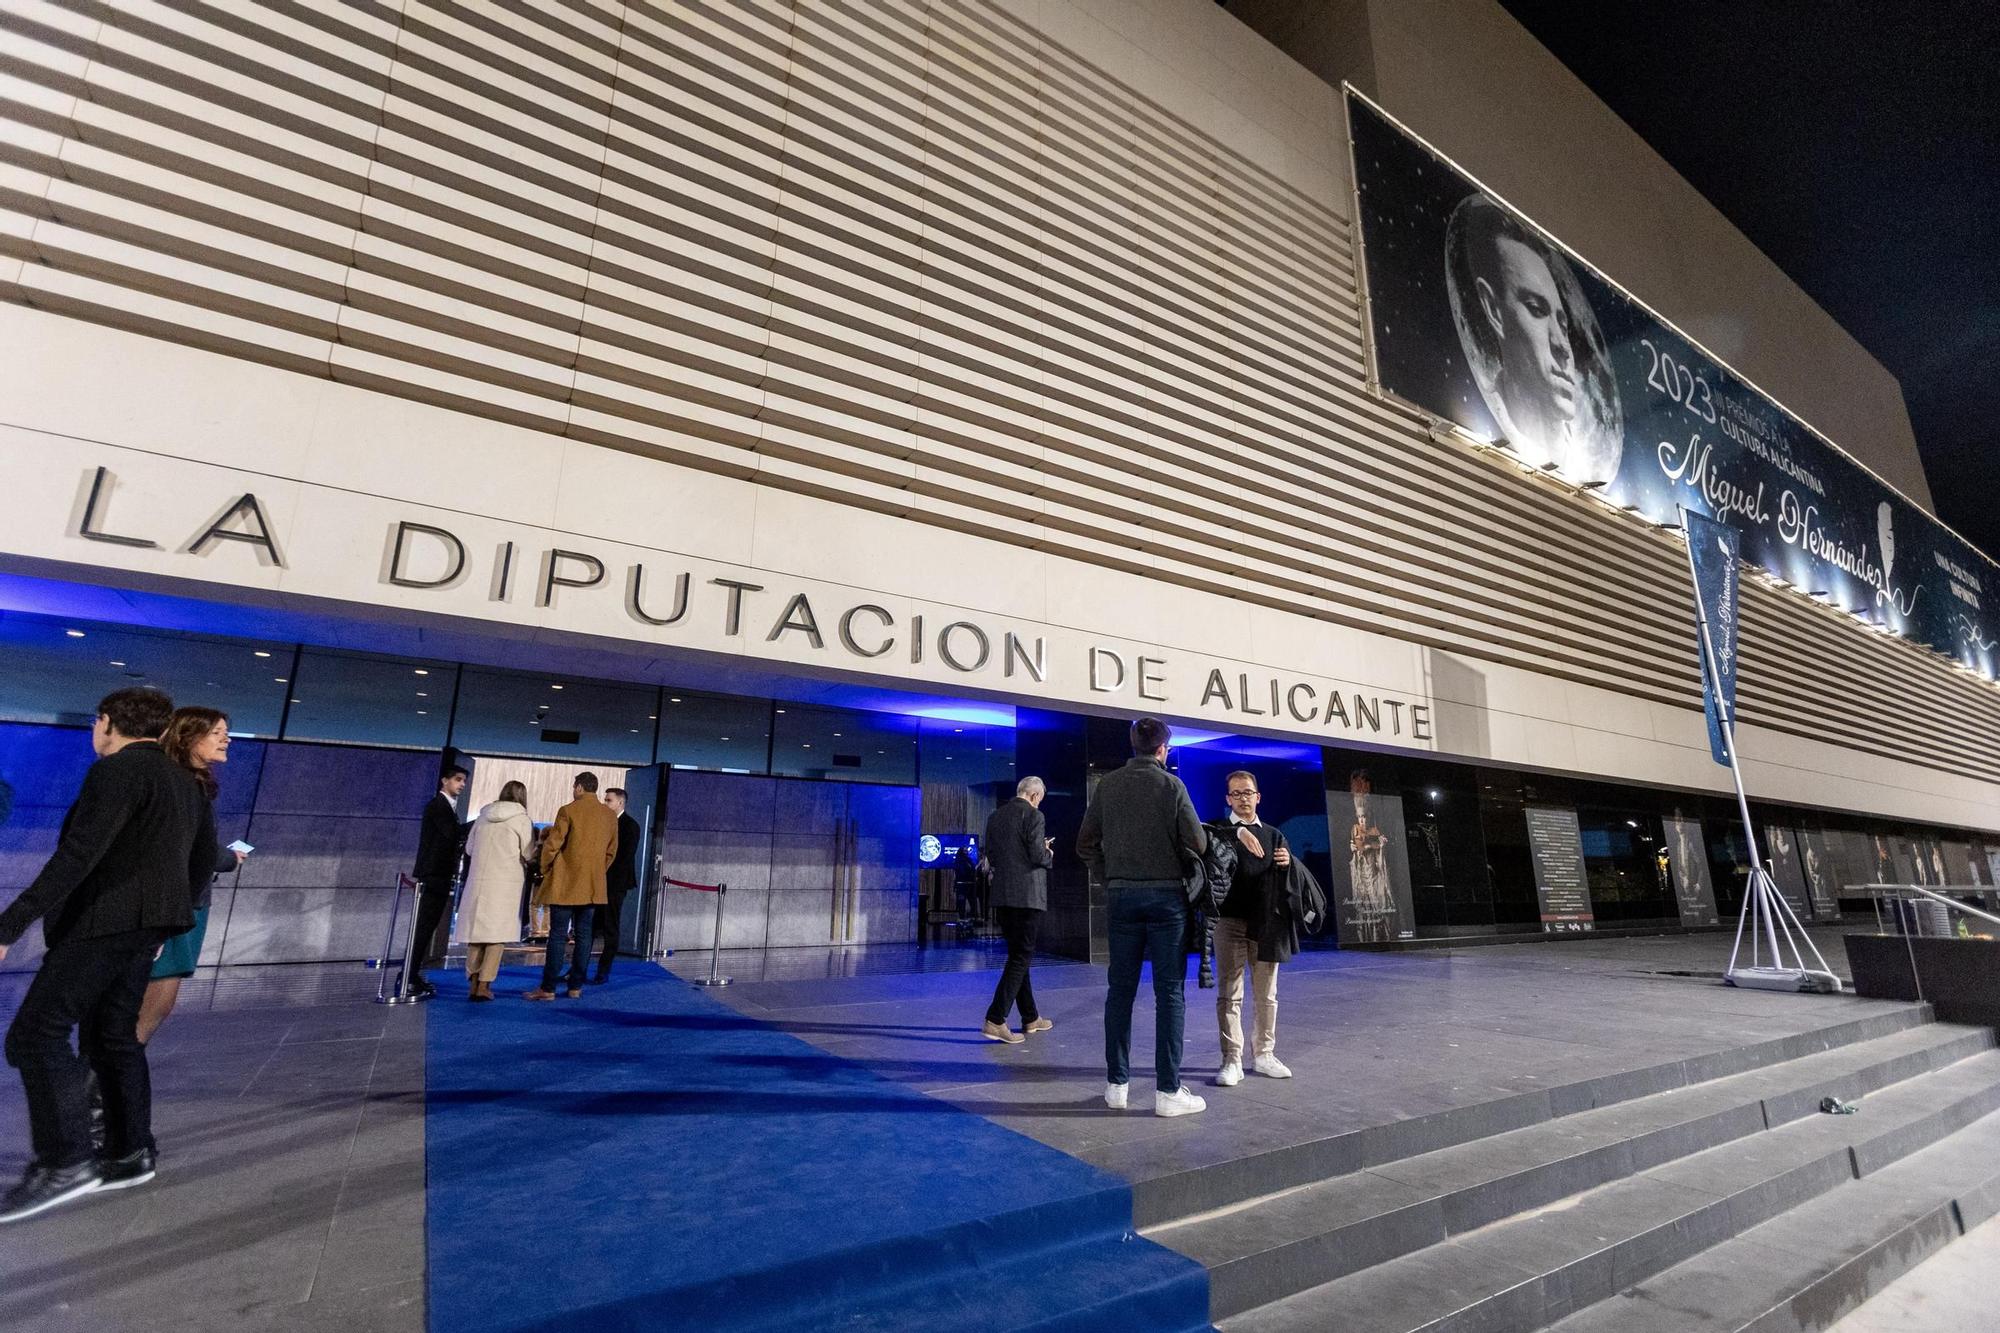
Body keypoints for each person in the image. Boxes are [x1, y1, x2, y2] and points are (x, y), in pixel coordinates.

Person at [0, 688, 214, 1223]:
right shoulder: (184, 782)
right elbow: (204, 858)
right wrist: (170, 917)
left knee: (34, 1034)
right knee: (112, 1038)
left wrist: (11, 923)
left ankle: (67, 1160)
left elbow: (78, 855)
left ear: (106, 723)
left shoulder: (117, 771)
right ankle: (129, 1151)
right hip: (145, 928)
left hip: (103, 922)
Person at [1076, 717, 1208, 1118]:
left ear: (1134, 746)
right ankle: (1168, 1092)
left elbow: (1085, 844)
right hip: (1167, 900)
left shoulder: (1108, 786)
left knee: (1120, 991)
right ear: (1163, 750)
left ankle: (1117, 1085)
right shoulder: (1172, 786)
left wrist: (1110, 875)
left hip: (1121, 898)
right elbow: (1198, 842)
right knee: (1169, 993)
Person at [1446, 194, 1621, 483]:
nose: (1562, 347)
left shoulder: (1588, 457)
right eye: (1537, 310)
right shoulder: (1486, 423)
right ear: (1494, 311)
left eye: (1563, 325)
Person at [136, 708, 247, 1045]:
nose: (226, 738)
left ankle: (110, 1073)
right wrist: (227, 857)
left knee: (160, 997)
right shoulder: (179, 785)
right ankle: (105, 1077)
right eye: (216, 732)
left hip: (186, 905)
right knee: (156, 997)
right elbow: (185, 846)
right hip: (171, 908)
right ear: (188, 737)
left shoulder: (192, 785)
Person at [1212, 771, 1293, 1087]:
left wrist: (1289, 863)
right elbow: (1203, 845)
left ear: (1258, 797)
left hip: (1265, 923)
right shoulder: (1218, 830)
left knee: (1266, 994)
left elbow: (1285, 883)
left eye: (1248, 792)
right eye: (1236, 793)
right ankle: (1232, 1059)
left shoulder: (1274, 835)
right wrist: (1237, 834)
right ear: (1228, 799)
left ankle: (1264, 1054)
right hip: (1228, 920)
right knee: (1230, 994)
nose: (1243, 798)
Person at [524, 772, 618, 1001]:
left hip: (565, 883)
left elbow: (552, 845)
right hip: (593, 885)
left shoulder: (568, 810)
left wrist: (545, 869)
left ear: (578, 788)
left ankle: (548, 988)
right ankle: (575, 986)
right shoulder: (609, 816)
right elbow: (610, 852)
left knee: (557, 936)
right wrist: (595, 871)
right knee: (585, 936)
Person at [980, 776, 1055, 1043]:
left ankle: (1031, 1018)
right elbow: (1037, 856)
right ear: (1034, 796)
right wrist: (1048, 853)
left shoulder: (995, 817)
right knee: (1020, 958)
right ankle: (996, 1019)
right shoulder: (1034, 816)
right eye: (1039, 799)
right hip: (1028, 897)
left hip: (1003, 895)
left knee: (1017, 956)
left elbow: (994, 855)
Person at [457, 780, 534, 1002]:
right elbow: (528, 853)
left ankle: (472, 982)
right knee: (495, 937)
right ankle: (484, 985)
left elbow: (470, 849)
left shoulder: (482, 817)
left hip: (479, 881)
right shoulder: (521, 820)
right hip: (505, 883)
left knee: (476, 935)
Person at [407, 765, 469, 1000]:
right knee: (423, 928)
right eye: (458, 779)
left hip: (438, 875)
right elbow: (451, 835)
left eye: (463, 780)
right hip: (434, 874)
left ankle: (412, 975)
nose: (461, 784)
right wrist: (475, 824)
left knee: (426, 928)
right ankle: (409, 976)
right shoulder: (438, 806)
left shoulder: (445, 807)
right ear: (445, 780)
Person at [593, 787, 641, 984]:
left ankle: (603, 970)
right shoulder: (603, 823)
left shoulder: (630, 826)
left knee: (611, 927)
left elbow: (624, 858)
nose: (605, 803)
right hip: (599, 882)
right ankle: (577, 970)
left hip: (615, 884)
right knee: (590, 926)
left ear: (620, 803)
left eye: (608, 800)